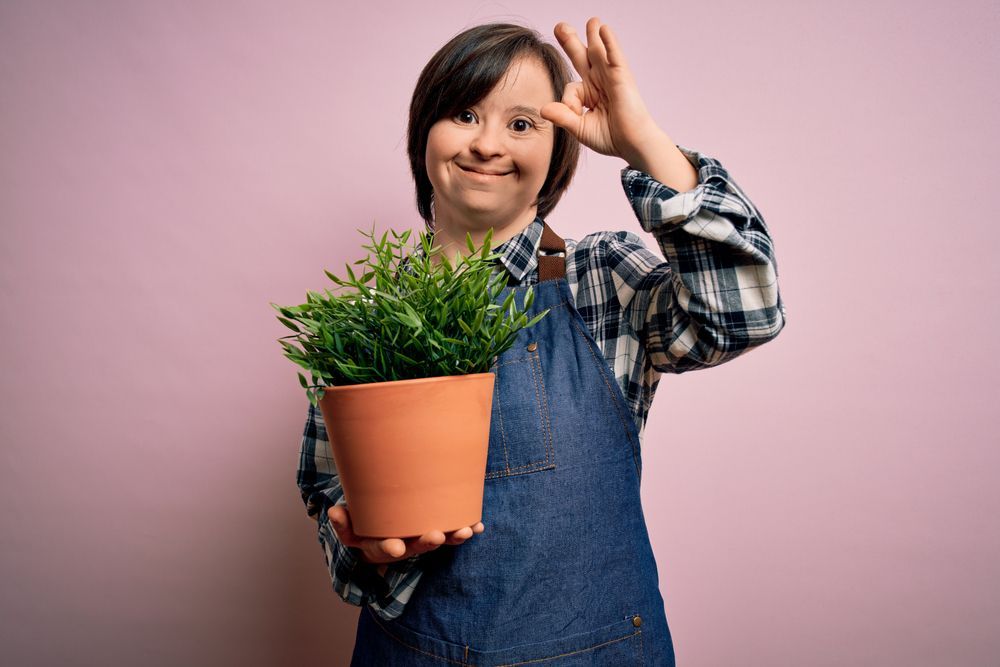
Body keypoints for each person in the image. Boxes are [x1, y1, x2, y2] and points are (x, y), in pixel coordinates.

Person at [297, 17, 786, 666]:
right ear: (425, 132)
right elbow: (328, 496)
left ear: (559, 151)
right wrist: (363, 545)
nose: (488, 143)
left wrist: (643, 142)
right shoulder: (370, 317)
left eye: (522, 124)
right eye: (465, 113)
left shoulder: (602, 279)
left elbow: (745, 307)